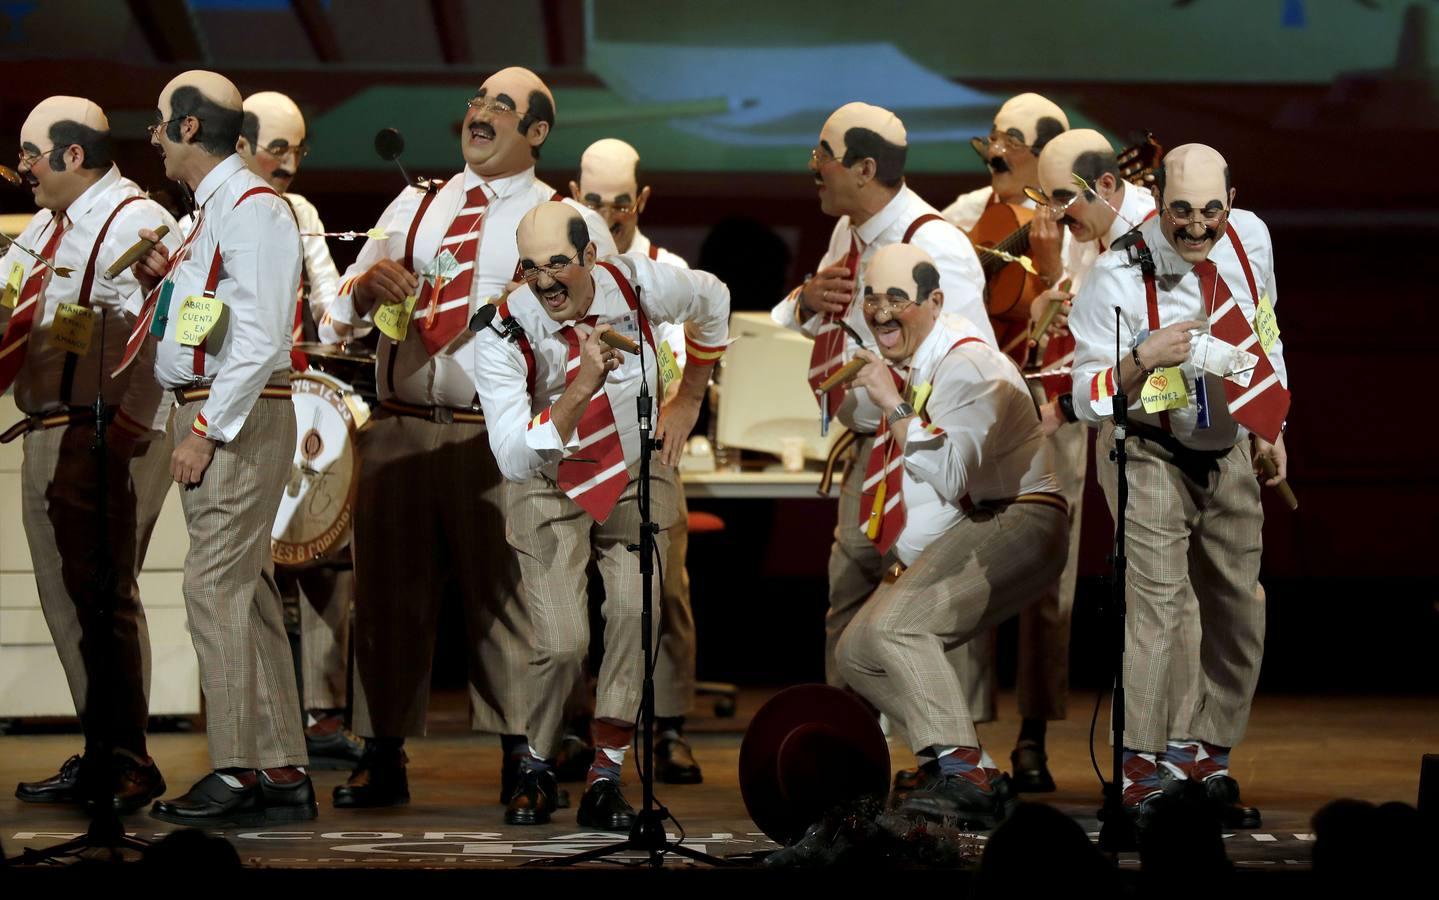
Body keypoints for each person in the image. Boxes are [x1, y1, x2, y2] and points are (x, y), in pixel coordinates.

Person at [324, 67, 616, 810]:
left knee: (514, 600)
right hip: (402, 429)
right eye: (477, 100)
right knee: (386, 601)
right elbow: (336, 315)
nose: (479, 112)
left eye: (501, 106)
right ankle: (380, 753)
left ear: (537, 132)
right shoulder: (419, 202)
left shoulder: (566, 218)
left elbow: (599, 333)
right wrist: (364, 290)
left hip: (502, 438)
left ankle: (527, 759)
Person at [470, 201, 728, 829]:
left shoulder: (637, 282)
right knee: (563, 644)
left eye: (559, 263)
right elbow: (511, 457)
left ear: (592, 257)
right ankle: (534, 762)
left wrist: (689, 398)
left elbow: (714, 299)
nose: (546, 281)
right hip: (549, 477)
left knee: (639, 615)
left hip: (638, 470)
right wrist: (580, 386)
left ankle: (606, 774)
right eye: (531, 268)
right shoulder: (503, 330)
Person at [1068, 143, 1288, 829]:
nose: (1197, 227)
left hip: (1225, 444)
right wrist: (1138, 359)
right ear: (1155, 200)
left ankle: (1202, 757)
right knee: (1158, 606)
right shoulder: (1113, 275)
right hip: (1147, 447)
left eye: (1210, 211)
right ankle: (1139, 774)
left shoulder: (1249, 239)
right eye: (1180, 212)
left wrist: (1271, 421)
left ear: (1232, 200)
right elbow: (1084, 397)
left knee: (1237, 601)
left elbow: (1263, 329)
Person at [123, 69, 313, 825]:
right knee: (246, 593)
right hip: (216, 409)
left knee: (213, 587)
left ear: (189, 128)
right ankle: (281, 767)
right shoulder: (213, 212)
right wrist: (164, 284)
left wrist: (205, 430)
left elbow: (264, 336)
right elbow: (218, 317)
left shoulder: (254, 209)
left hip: (234, 418)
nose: (153, 137)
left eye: (158, 123)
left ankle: (234, 770)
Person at [834, 242, 1068, 828]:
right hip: (978, 516)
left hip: (1025, 515)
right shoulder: (921, 360)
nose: (881, 312)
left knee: (898, 626)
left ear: (934, 302)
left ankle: (965, 775)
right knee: (857, 652)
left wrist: (892, 407)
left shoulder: (966, 363)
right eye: (872, 298)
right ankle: (972, 768)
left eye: (897, 300)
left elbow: (950, 472)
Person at [770, 101, 989, 699]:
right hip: (869, 448)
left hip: (921, 450)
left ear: (864, 169)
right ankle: (848, 750)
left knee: (934, 605)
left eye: (823, 155)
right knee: (849, 596)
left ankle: (955, 765)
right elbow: (817, 324)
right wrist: (808, 301)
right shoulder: (848, 231)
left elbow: (972, 368)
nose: (812, 165)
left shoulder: (934, 244)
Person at [5, 95, 177, 813]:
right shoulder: (44, 230)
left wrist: (132, 430)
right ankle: (104, 747)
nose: (21, 170)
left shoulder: (137, 222)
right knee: (68, 599)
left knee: (104, 597)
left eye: (30, 155)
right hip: (50, 428)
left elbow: (162, 329)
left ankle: (128, 758)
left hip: (107, 433)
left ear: (74, 155)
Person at [236, 89, 361, 769]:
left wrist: (359, 300)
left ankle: (322, 712)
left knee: (325, 553)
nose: (289, 165)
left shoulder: (301, 212)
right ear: (241, 144)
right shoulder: (206, 213)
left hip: (298, 400)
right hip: (228, 405)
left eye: (297, 149)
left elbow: (332, 311)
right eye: (277, 148)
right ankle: (259, 715)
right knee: (248, 565)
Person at [570, 137, 701, 784]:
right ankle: (574, 722)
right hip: (577, 451)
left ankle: (669, 725)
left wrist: (676, 405)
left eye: (620, 203)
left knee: (663, 583)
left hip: (646, 448)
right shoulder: (557, 265)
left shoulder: (664, 268)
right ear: (573, 197)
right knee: (569, 593)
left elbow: (685, 357)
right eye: (594, 202)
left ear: (640, 200)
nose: (610, 214)